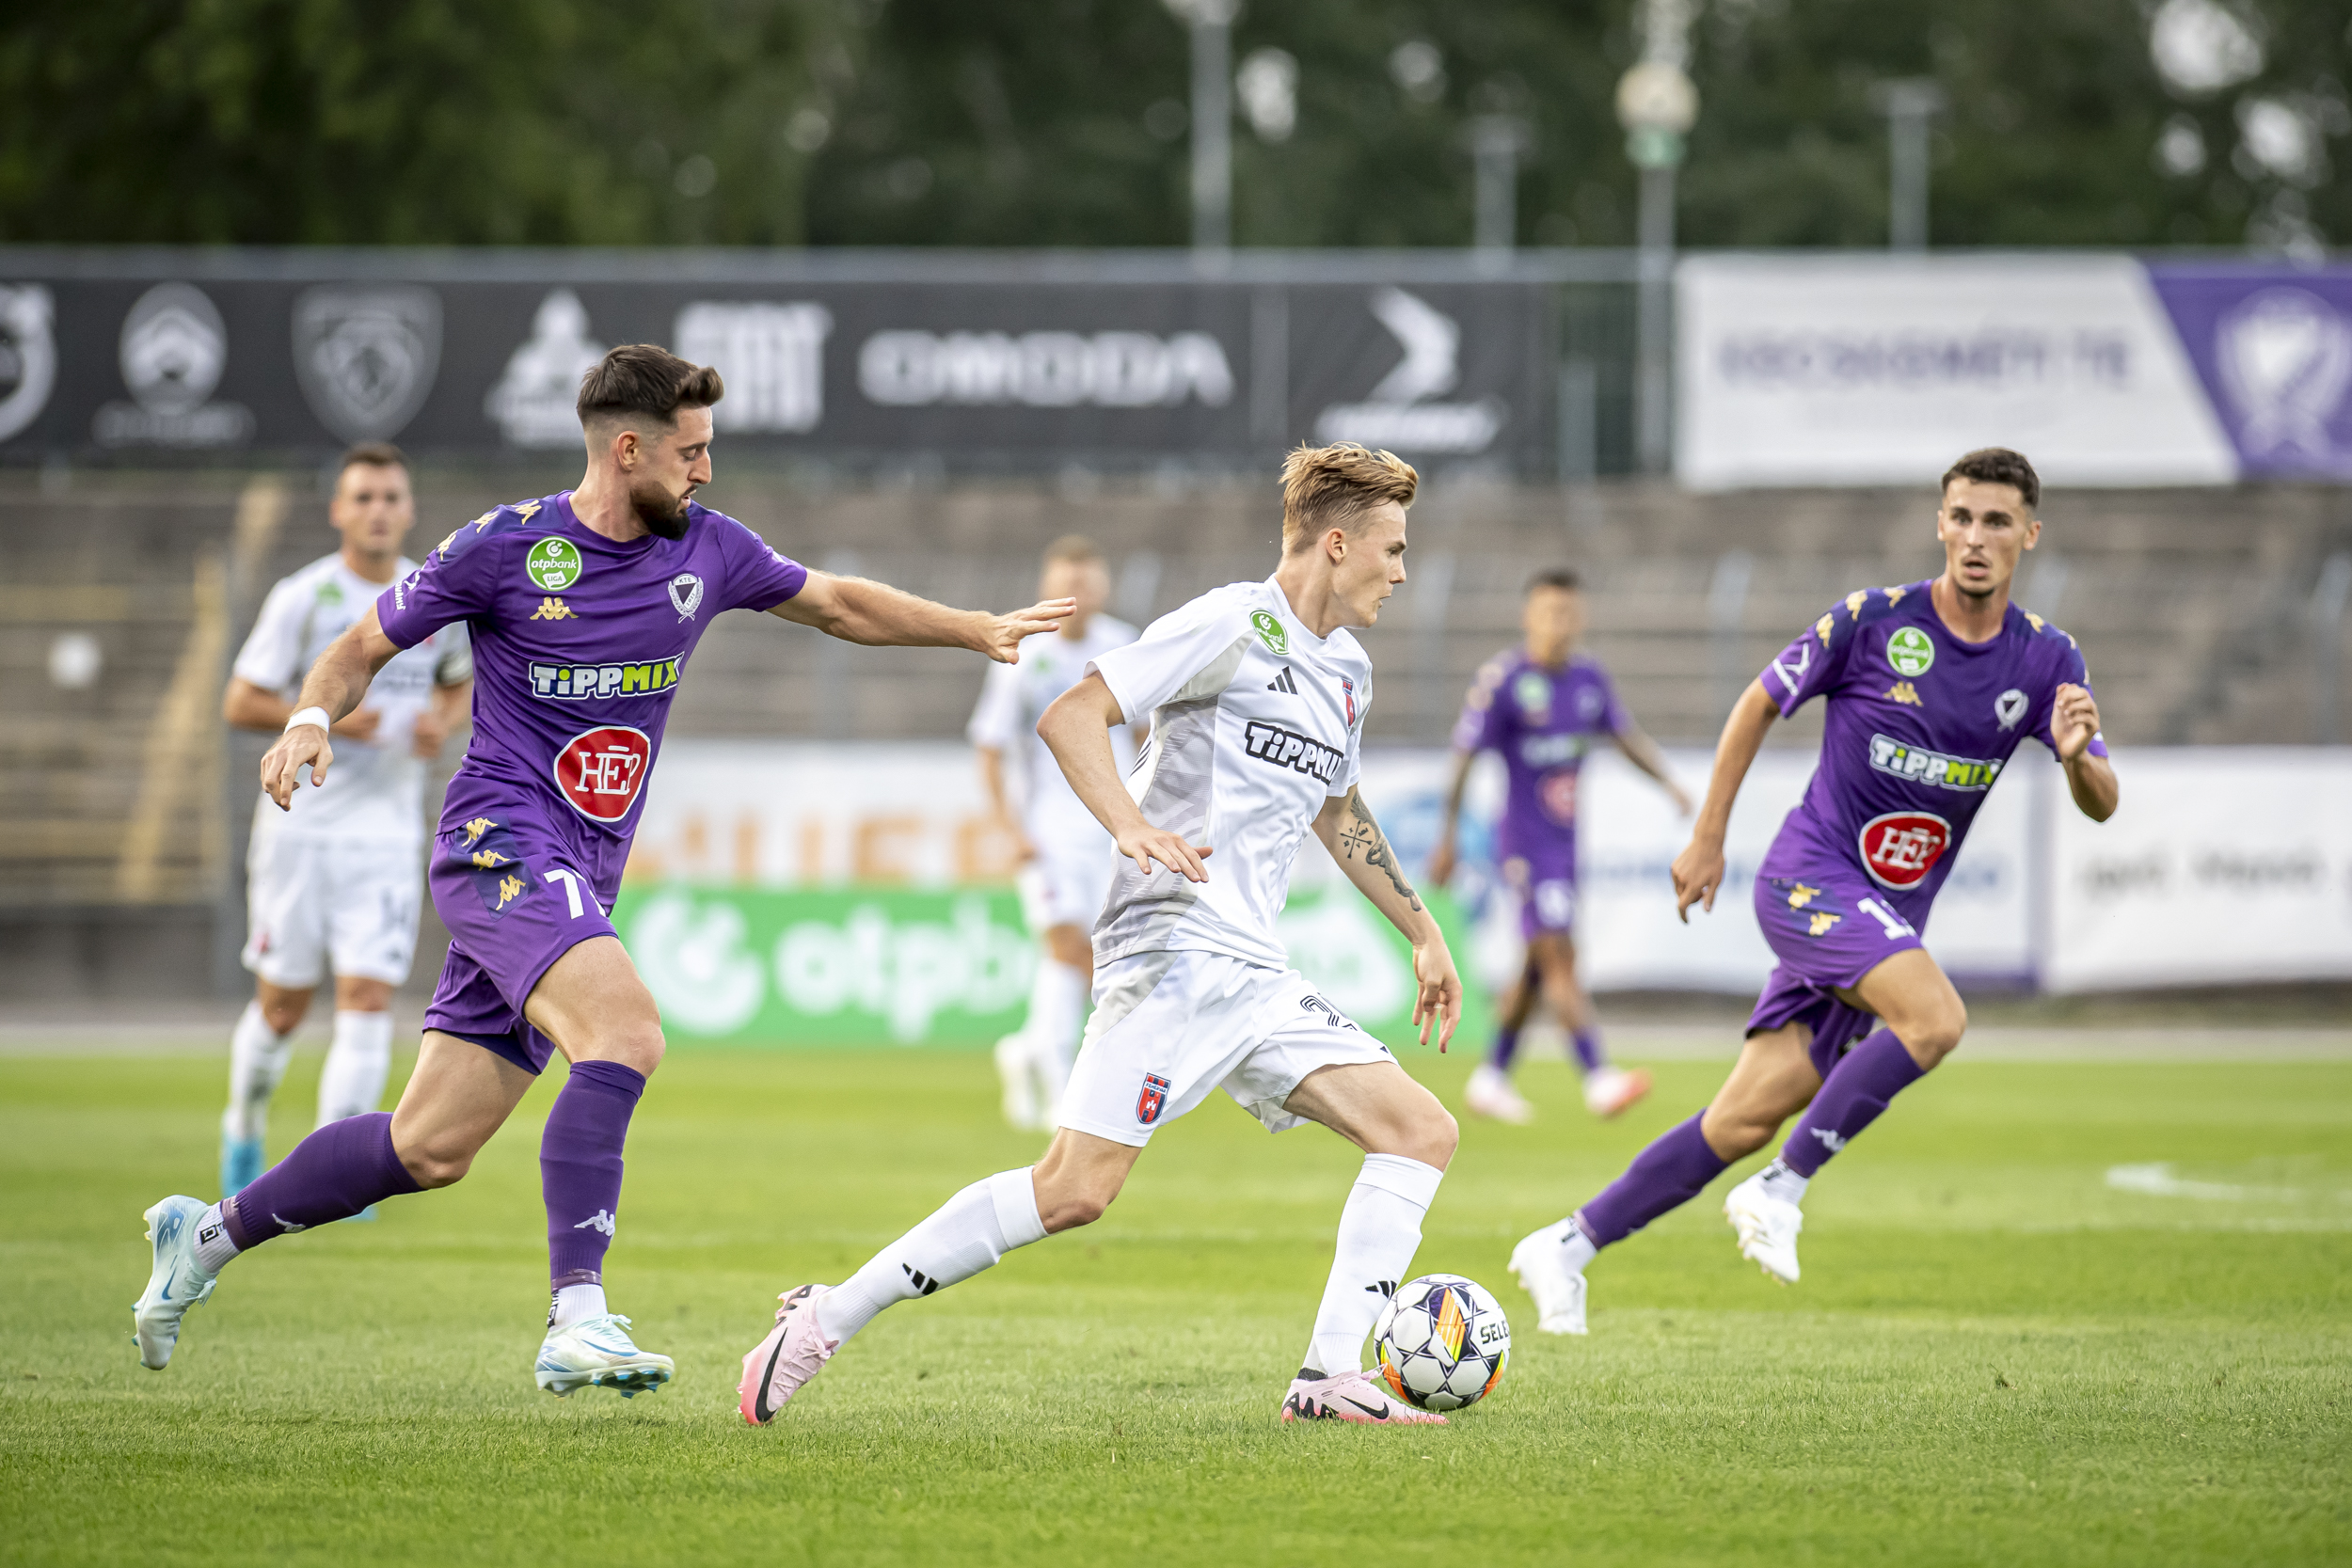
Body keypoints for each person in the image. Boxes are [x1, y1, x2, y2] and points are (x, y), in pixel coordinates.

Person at [133, 344, 1072, 1397]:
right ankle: (576, 1316)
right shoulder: (503, 547)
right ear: (628, 449)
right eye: (690, 451)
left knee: (428, 1146)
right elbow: (360, 646)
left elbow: (839, 603)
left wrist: (974, 629)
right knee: (625, 1033)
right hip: (497, 841)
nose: (706, 470)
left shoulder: (710, 548)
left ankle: (202, 1236)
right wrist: (311, 716)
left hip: (578, 867)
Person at [738, 443, 1467, 1428]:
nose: (1402, 570)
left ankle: (1330, 1377)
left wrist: (1422, 930)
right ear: (1337, 543)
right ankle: (825, 1315)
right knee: (1074, 1189)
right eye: (1393, 547)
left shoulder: (1347, 670)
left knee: (1419, 1130)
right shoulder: (1228, 624)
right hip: (1172, 945)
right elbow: (1072, 715)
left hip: (1253, 967)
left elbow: (1338, 811)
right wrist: (1128, 823)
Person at [1509, 448, 2117, 1336]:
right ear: (1940, 524)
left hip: (1883, 920)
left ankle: (1566, 1244)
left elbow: (2102, 798)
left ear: (2029, 534)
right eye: (1961, 517)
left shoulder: (2047, 660)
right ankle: (1782, 1189)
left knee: (1740, 1119)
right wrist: (1708, 834)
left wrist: (2074, 759)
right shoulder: (1874, 621)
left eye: (1996, 521)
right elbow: (1758, 701)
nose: (1976, 537)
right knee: (1936, 1019)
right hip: (1809, 879)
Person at [216, 444, 472, 1203]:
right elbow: (241, 700)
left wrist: (439, 721)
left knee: (366, 999)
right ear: (338, 510)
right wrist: (332, 718)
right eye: (363, 497)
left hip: (386, 834)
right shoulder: (305, 596)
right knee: (282, 1007)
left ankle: (329, 1181)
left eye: (391, 496)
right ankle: (243, 1127)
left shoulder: (431, 595)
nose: (378, 510)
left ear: (409, 509)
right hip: (300, 829)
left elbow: (459, 685)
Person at [1427, 569, 1691, 1125]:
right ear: (1529, 617)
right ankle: (1598, 1076)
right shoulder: (1504, 680)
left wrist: (1668, 783)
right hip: (1523, 845)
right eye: (1550, 612)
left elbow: (1623, 737)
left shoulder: (1588, 679)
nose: (1560, 623)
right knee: (1561, 953)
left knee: (1537, 962)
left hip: (1565, 846)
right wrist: (1448, 837)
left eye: (1568, 613)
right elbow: (1464, 757)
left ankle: (1491, 1077)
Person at [968, 536, 1140, 1132]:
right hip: (1049, 832)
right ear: (1047, 588)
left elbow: (1147, 734)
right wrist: (1009, 828)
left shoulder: (1124, 646)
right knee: (1067, 944)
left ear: (1104, 588)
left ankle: (1029, 1049)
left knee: (1096, 953)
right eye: (1066, 582)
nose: (1077, 593)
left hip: (1114, 829)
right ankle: (1060, 1078)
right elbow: (990, 746)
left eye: (1086, 582)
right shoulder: (1024, 653)